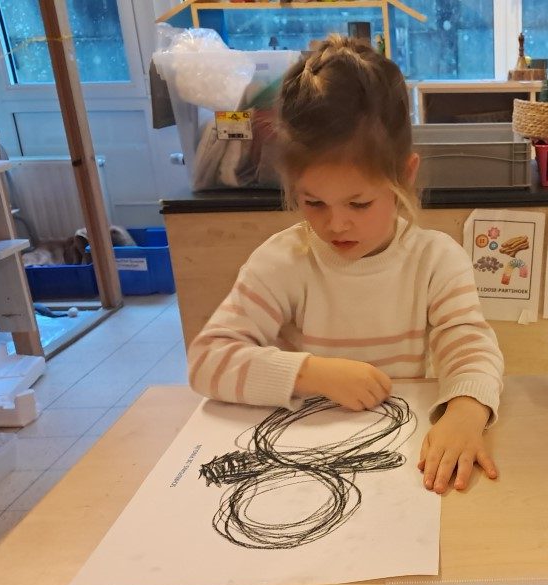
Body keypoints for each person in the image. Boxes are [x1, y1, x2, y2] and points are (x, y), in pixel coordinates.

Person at [188, 35, 504, 493]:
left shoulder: (436, 260)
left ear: (404, 177)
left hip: (398, 459)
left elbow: (470, 346)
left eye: (359, 203)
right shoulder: (283, 261)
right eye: (313, 202)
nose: (336, 225)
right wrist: (308, 373)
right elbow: (206, 361)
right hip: (301, 461)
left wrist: (467, 411)